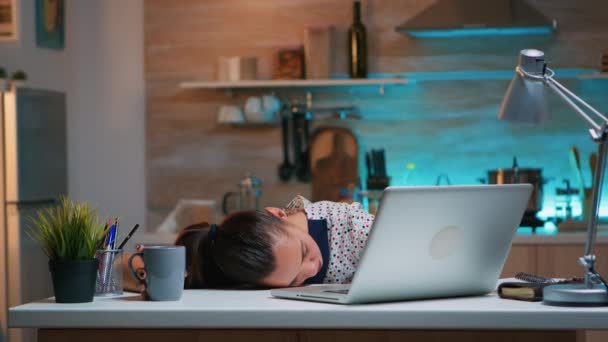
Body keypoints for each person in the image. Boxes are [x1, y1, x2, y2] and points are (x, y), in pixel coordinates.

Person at [124, 195, 374, 291]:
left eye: (304, 252)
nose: (312, 269)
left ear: (278, 215)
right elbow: (120, 266)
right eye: (294, 280)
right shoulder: (237, 268)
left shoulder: (350, 226)